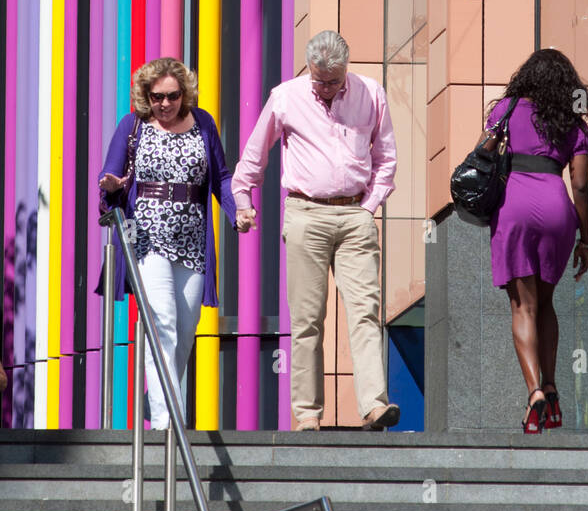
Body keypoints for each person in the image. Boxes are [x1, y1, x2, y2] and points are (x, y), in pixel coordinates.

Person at [232, 30, 400, 432]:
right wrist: (243, 200)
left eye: (334, 80)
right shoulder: (287, 96)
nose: (326, 88)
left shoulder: (371, 93)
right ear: (309, 70)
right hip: (306, 212)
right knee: (308, 318)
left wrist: (369, 208)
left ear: (346, 68)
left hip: (355, 214)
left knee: (365, 313)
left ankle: (374, 405)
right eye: (319, 80)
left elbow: (386, 156)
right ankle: (307, 414)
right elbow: (255, 154)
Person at [98, 58, 236, 428]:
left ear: (184, 93)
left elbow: (221, 177)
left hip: (192, 243)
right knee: (163, 326)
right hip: (146, 239)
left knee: (183, 337)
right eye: (156, 96)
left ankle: (157, 399)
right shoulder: (133, 126)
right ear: (146, 95)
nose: (164, 103)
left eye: (172, 95)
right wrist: (111, 184)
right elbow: (108, 174)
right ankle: (166, 422)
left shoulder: (203, 123)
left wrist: (239, 212)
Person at [486, 48, 588, 434]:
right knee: (547, 304)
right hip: (557, 209)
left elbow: (485, 156)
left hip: (513, 206)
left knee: (523, 306)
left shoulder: (506, 109)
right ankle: (552, 388)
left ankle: (534, 392)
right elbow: (580, 186)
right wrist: (586, 239)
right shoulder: (574, 125)